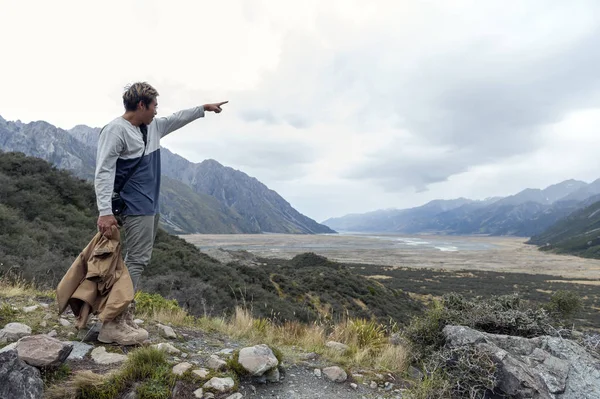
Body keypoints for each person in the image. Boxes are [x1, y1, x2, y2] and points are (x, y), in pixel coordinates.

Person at [93, 82, 227, 343]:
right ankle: (114, 321)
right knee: (136, 260)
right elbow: (104, 172)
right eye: (154, 105)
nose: (157, 111)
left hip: (148, 206)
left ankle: (120, 315)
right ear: (141, 105)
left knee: (129, 261)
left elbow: (176, 119)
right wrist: (104, 212)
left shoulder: (151, 127)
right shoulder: (115, 130)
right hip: (134, 206)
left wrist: (203, 108)